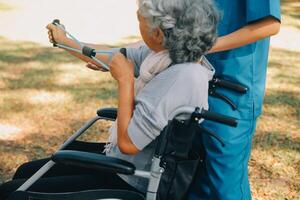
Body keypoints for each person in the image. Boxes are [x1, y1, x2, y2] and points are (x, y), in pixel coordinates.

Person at [0, 0, 219, 199]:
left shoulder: (179, 79)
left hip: (134, 179)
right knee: (25, 173)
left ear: (159, 34)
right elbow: (113, 57)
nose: (139, 26)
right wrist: (64, 41)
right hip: (127, 166)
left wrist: (125, 81)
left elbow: (127, 144)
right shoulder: (169, 56)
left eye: (140, 21)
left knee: (13, 194)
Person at [188, 1, 281, 200]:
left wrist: (206, 46)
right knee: (192, 180)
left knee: (225, 188)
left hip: (232, 95)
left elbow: (270, 24)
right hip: (195, 84)